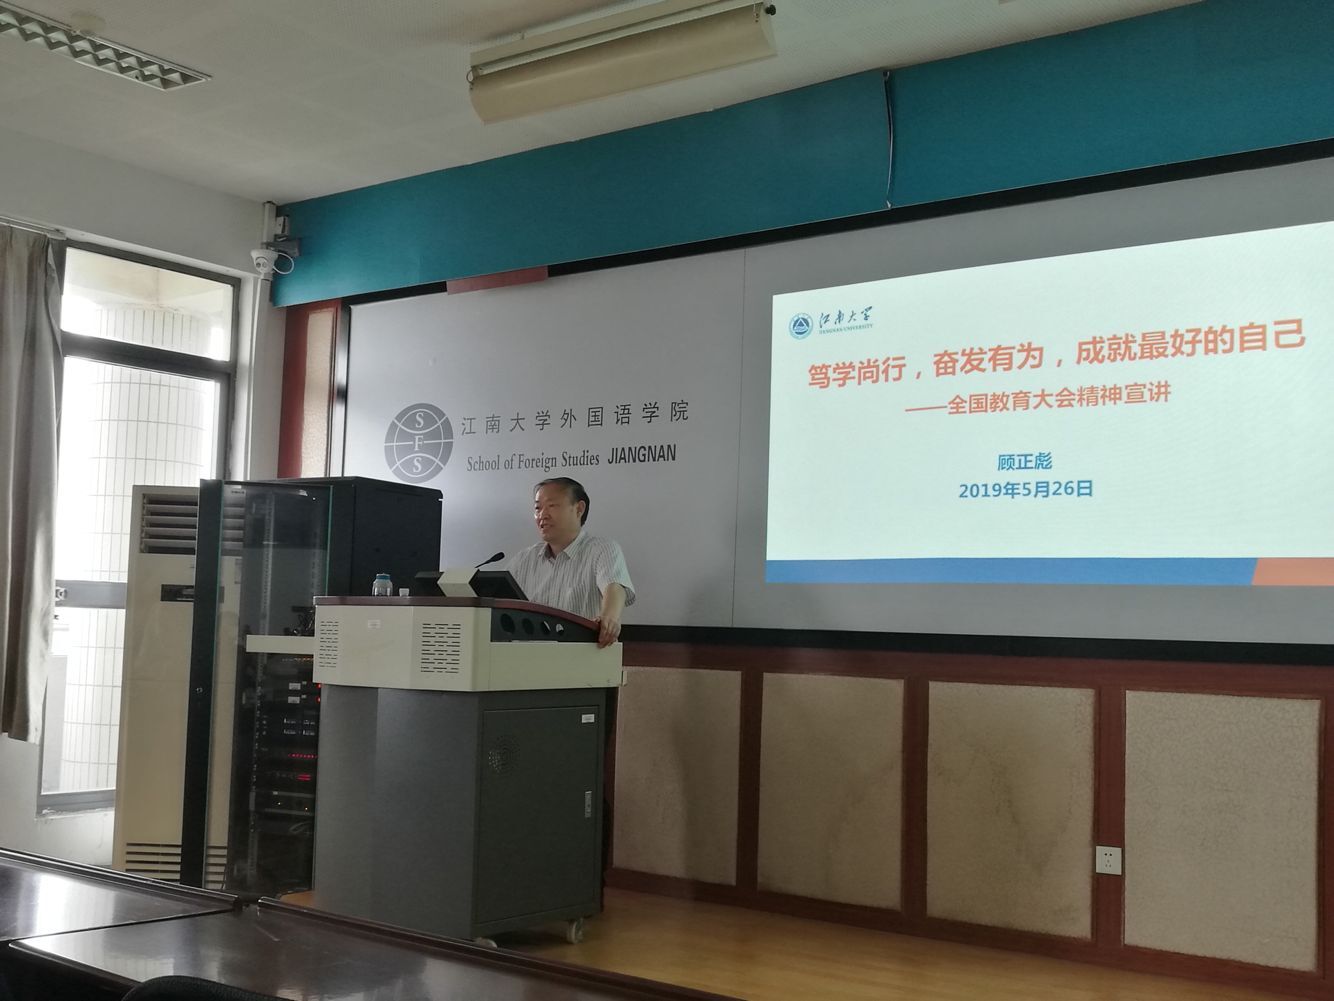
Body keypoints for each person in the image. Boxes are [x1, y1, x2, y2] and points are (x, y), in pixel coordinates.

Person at [506, 477, 634, 648]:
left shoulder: (602, 549)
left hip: (582, 656)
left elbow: (614, 586)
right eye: (538, 508)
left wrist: (609, 618)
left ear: (579, 509)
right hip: (525, 656)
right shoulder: (523, 560)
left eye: (552, 506)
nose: (542, 515)